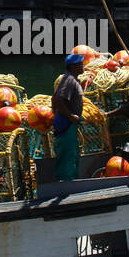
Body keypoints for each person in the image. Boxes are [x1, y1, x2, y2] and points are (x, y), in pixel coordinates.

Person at [51, 53, 85, 181]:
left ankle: (71, 182)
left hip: (67, 122)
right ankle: (65, 185)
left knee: (71, 154)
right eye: (80, 64)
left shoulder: (71, 79)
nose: (83, 66)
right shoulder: (69, 79)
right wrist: (70, 116)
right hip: (66, 123)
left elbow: (54, 98)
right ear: (72, 67)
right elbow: (59, 99)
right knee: (67, 155)